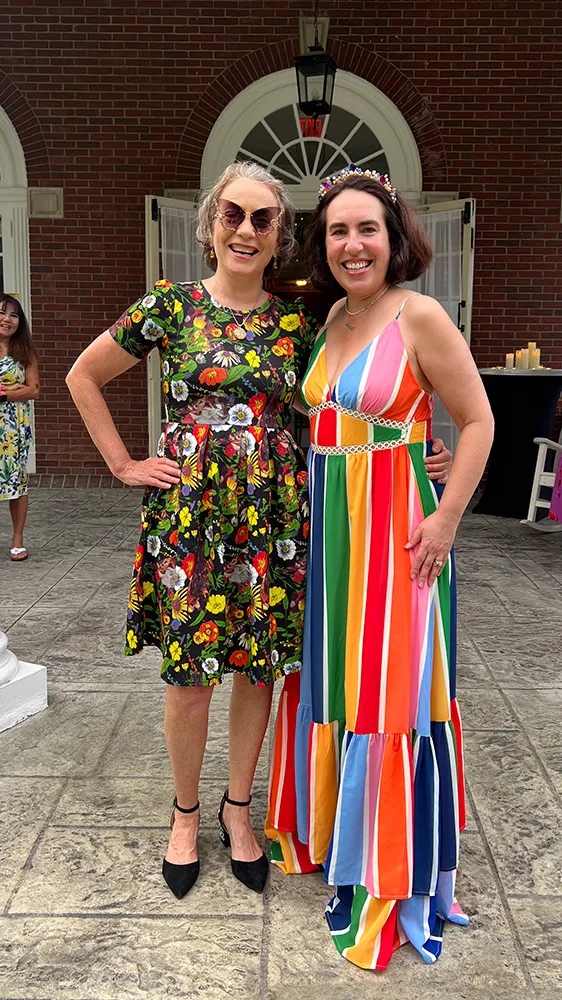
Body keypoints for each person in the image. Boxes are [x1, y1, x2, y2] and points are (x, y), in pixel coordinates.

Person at [65, 160, 452, 901]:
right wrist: (123, 463)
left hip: (274, 517)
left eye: (264, 220)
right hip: (191, 520)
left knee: (258, 670)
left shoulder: (300, 319)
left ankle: (237, 808)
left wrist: (416, 446)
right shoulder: (168, 307)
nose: (247, 230)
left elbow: (361, 386)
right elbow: (84, 374)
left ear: (280, 236)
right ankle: (185, 814)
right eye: (234, 216)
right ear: (210, 225)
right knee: (187, 679)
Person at [266, 166, 494, 971]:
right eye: (336, 231)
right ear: (322, 245)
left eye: (367, 229)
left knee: (389, 693)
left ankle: (390, 872)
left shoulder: (420, 314)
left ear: (395, 238)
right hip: (332, 528)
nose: (352, 244)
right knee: (336, 681)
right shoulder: (331, 316)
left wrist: (446, 516)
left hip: (398, 533)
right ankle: (337, 836)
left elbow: (477, 422)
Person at [0, 295, 39, 561]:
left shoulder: (24, 351)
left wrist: (4, 395)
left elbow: (34, 390)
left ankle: (17, 539)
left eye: (14, 315)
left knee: (17, 483)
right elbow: (24, 388)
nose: (7, 319)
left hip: (13, 431)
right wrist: (12, 388)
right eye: (2, 313)